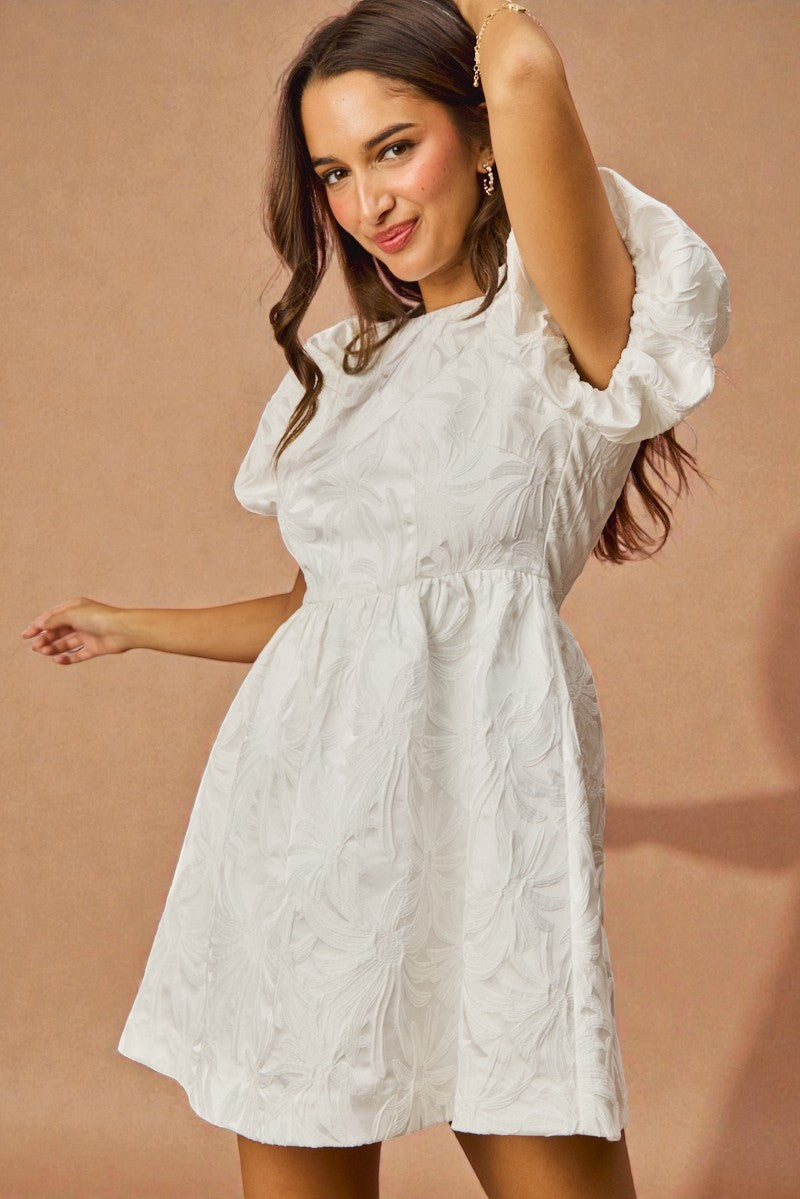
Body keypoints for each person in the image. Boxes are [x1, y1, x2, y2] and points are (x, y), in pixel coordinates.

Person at [21, 1, 731, 1196]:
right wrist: (129, 623)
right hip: (296, 822)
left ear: (484, 138)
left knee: (538, 1127)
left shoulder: (565, 323)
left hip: (481, 813)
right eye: (333, 172)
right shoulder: (341, 373)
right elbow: (332, 616)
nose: (367, 201)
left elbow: (519, 62)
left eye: (395, 148)